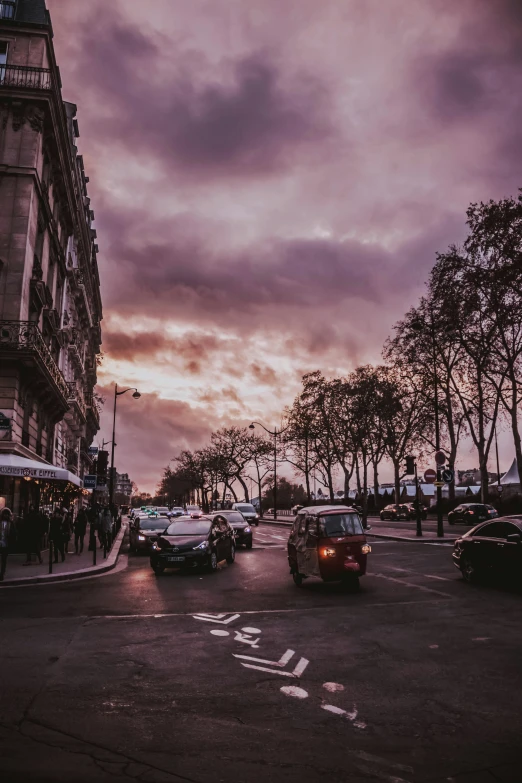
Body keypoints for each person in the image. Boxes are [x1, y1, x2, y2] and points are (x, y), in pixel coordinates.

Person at [0, 507, 13, 581]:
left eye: (6, 514)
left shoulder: (10, 523)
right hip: (0, 542)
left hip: (6, 544)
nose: (5, 516)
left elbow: (13, 534)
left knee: (4, 560)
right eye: (4, 514)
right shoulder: (0, 522)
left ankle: (2, 574)